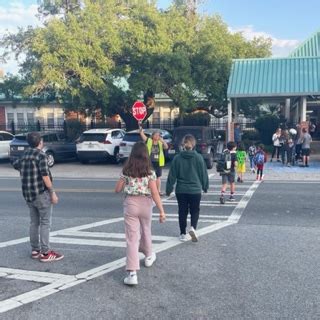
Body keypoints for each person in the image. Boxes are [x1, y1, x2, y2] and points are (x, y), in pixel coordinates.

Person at [115, 142, 166, 286]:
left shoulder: (126, 170)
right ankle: (149, 256)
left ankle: (132, 273)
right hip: (146, 203)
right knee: (146, 230)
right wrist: (162, 211)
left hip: (131, 204)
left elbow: (117, 189)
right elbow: (155, 192)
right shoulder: (150, 172)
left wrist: (125, 182)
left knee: (132, 238)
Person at [12, 132, 63, 262]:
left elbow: (15, 164)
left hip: (28, 194)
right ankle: (45, 253)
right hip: (41, 193)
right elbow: (45, 176)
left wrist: (26, 169)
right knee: (45, 222)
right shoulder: (41, 156)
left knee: (34, 222)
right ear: (40, 142)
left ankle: (35, 250)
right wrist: (52, 192)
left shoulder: (25, 155)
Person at [166, 134, 209, 242]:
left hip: (181, 189)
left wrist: (168, 188)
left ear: (183, 145)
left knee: (182, 211)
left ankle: (182, 233)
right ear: (194, 144)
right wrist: (205, 186)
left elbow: (172, 175)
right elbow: (203, 174)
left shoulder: (177, 158)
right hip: (195, 189)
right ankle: (193, 227)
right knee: (195, 210)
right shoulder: (199, 158)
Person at [139, 125, 168, 196]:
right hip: (149, 162)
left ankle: (158, 191)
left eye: (159, 135)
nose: (158, 136)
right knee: (148, 176)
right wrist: (141, 130)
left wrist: (163, 141)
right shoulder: (149, 141)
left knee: (158, 177)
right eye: (156, 135)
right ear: (153, 136)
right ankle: (148, 190)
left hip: (158, 162)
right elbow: (142, 135)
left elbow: (166, 147)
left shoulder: (161, 142)